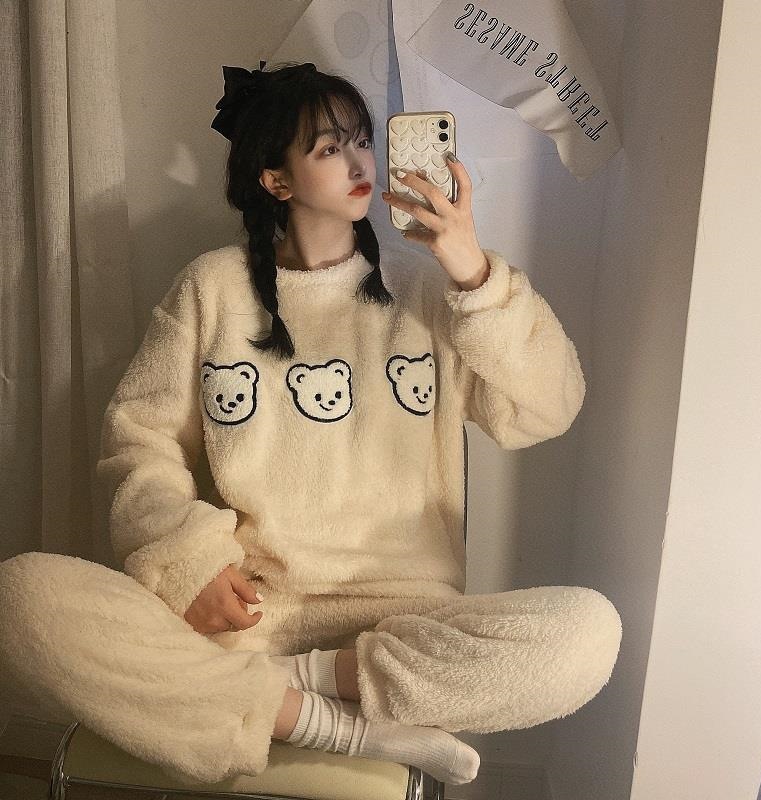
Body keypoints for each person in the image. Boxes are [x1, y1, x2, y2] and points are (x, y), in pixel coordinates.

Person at [0, 60, 622, 787]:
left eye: (361, 141)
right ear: (277, 180)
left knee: (589, 635)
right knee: (21, 597)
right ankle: (347, 728)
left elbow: (547, 408)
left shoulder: (430, 288)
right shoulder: (213, 288)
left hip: (403, 627)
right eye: (330, 148)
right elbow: (139, 440)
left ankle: (286, 695)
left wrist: (474, 274)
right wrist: (189, 561)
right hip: (247, 615)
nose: (361, 163)